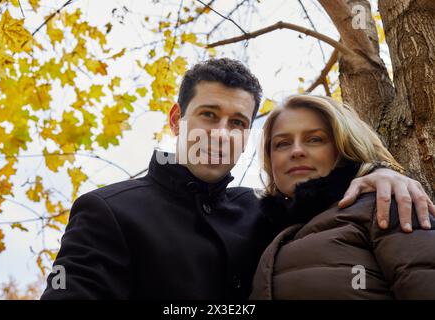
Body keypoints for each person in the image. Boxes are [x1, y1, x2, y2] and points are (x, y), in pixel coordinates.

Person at [40, 59, 434, 299]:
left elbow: (327, 210)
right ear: (178, 120)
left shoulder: (264, 212)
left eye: (237, 122)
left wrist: (384, 174)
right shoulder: (109, 210)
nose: (221, 133)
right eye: (208, 115)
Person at [250, 95, 435, 299]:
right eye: (282, 144)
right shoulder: (262, 235)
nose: (296, 151)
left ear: (342, 147)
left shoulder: (387, 201)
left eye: (314, 139)